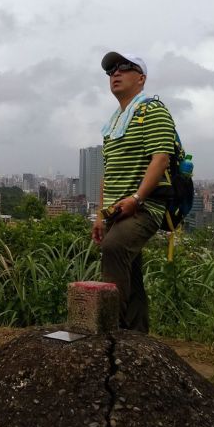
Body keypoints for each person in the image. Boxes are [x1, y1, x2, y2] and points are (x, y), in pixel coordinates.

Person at [92, 52, 175, 333]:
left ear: (141, 78)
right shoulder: (114, 122)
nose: (116, 73)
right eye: (111, 70)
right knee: (131, 270)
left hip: (145, 207)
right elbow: (108, 172)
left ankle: (111, 331)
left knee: (114, 249)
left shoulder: (152, 110)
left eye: (125, 68)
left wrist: (137, 198)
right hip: (116, 211)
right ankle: (137, 334)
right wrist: (100, 216)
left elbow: (161, 158)